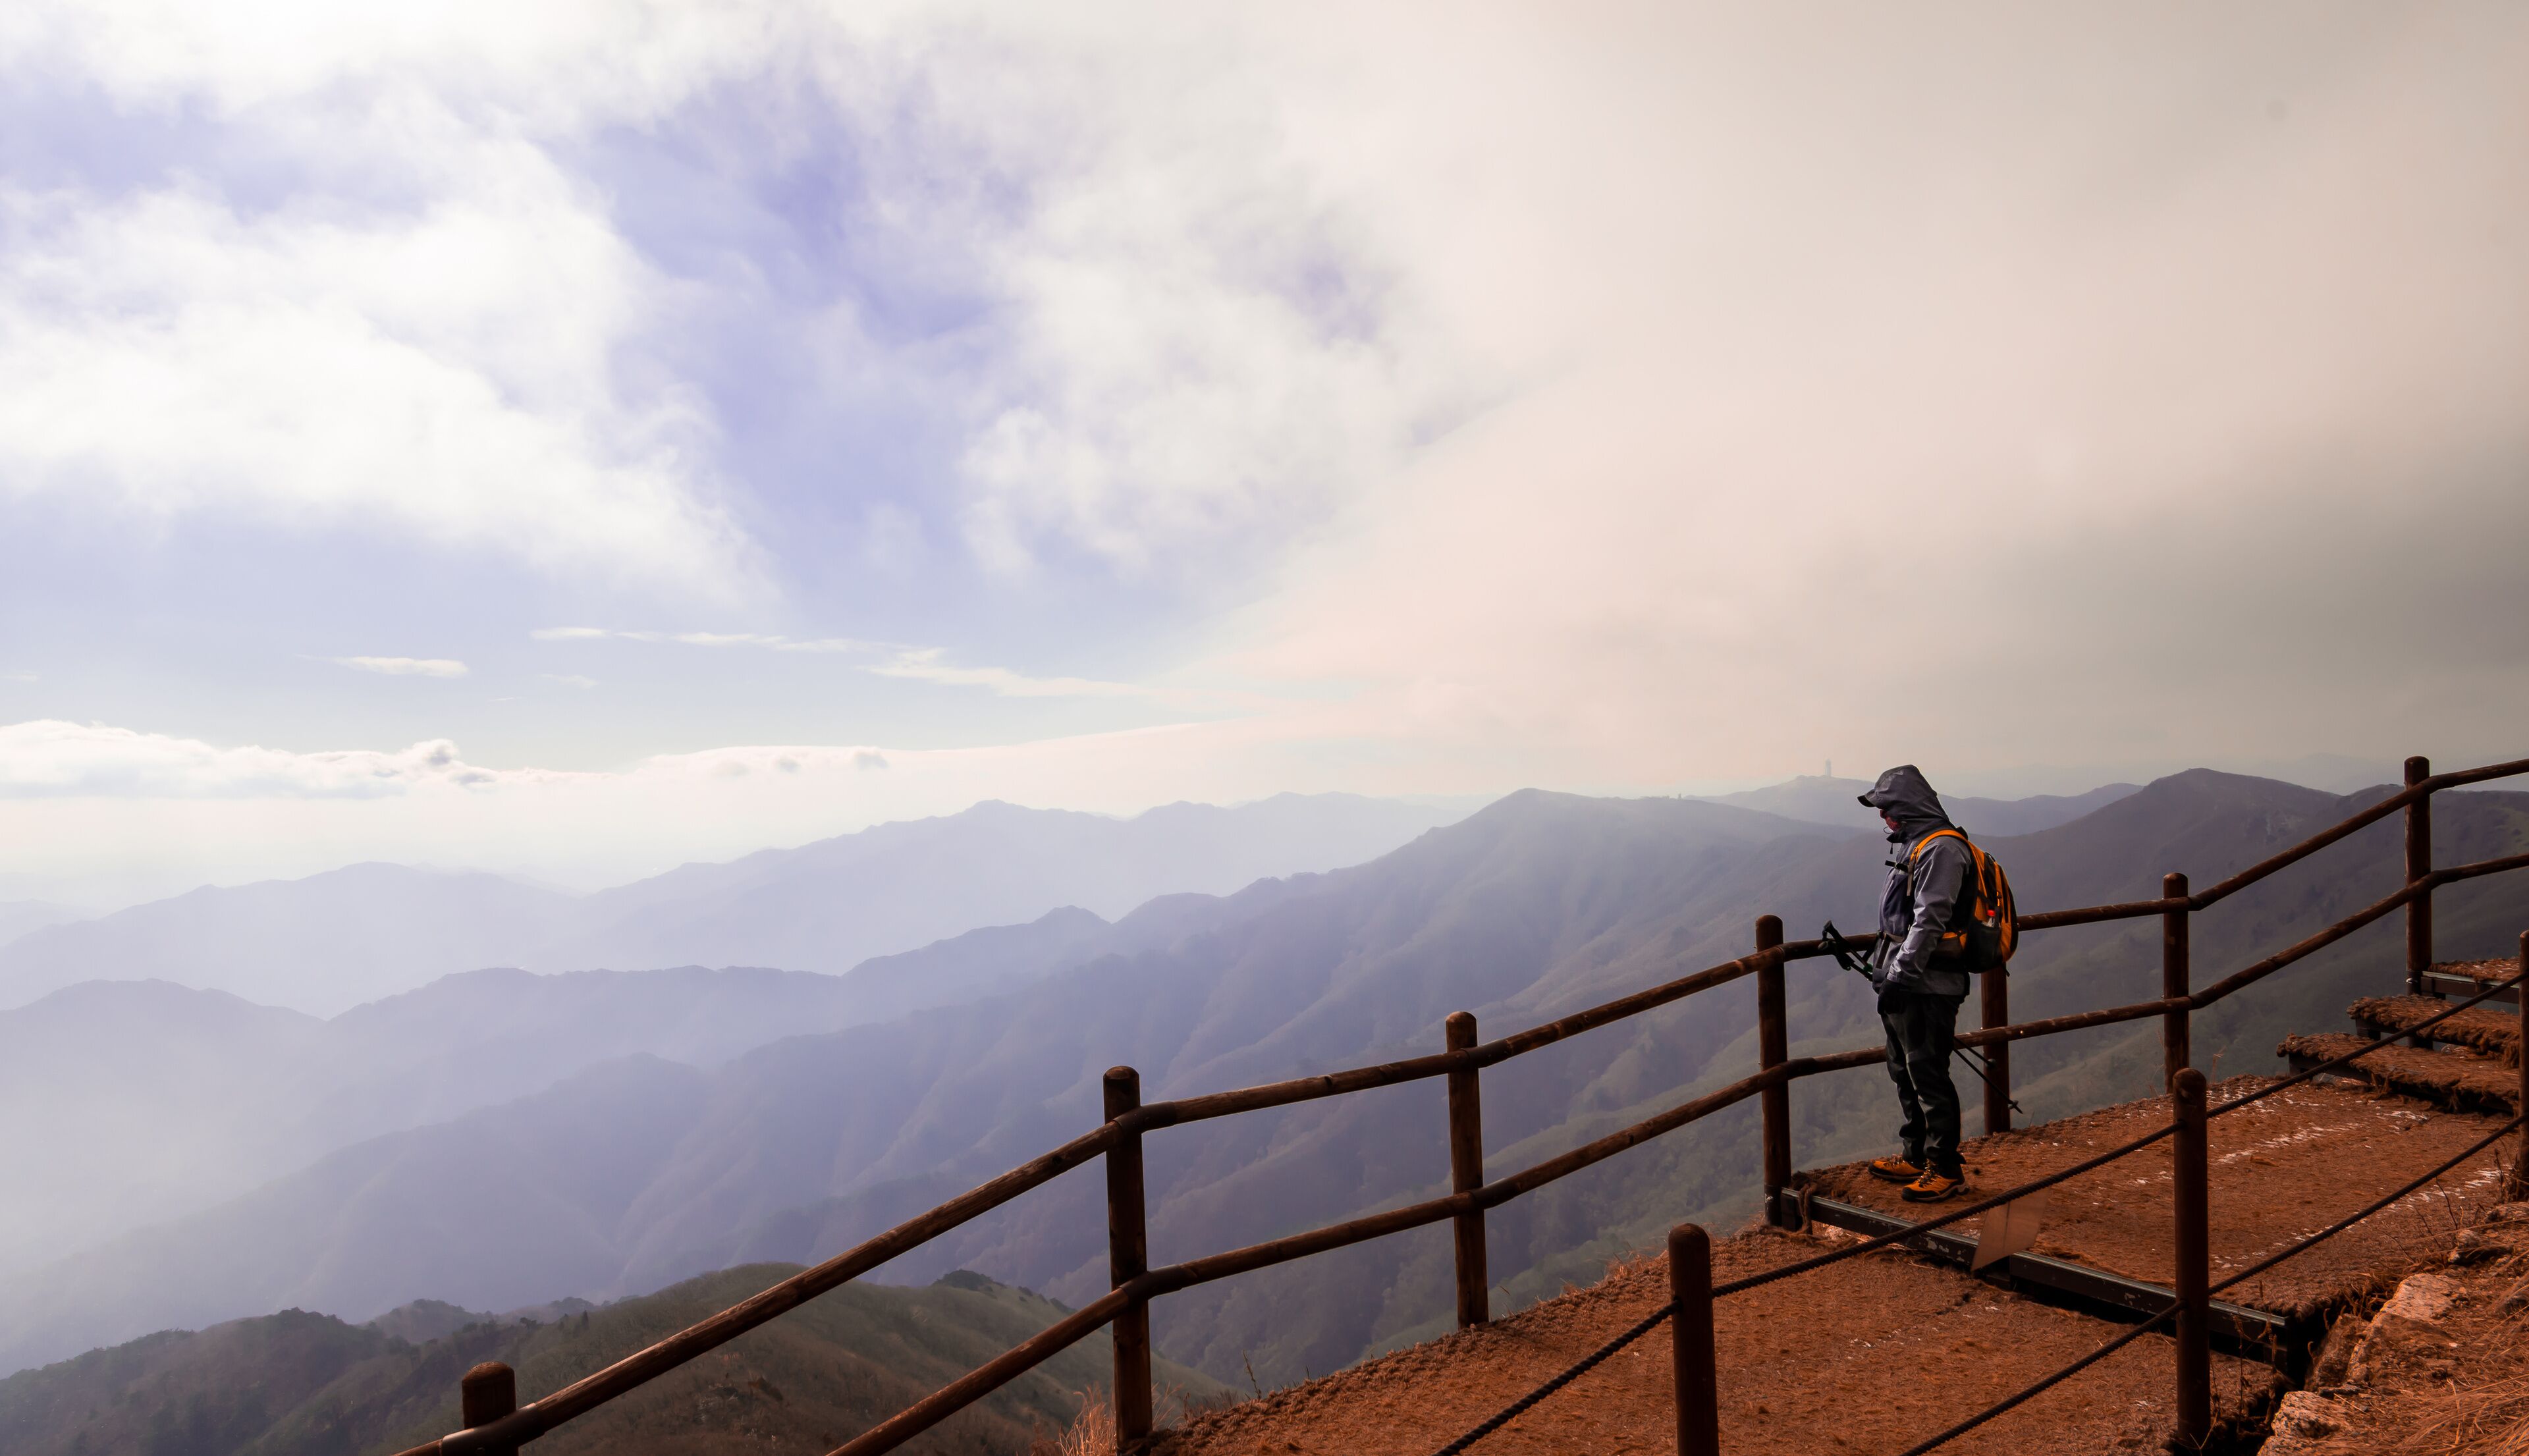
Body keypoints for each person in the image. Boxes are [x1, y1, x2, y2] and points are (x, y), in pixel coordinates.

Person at [1857, 765, 1973, 1202]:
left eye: (1887, 809)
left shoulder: (1941, 849)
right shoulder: (1917, 845)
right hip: (1905, 980)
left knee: (1927, 1071)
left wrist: (1900, 976)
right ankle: (1917, 1153)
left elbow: (1929, 922)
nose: (1884, 818)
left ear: (1907, 808)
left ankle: (1944, 1167)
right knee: (1903, 1067)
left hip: (1928, 985)